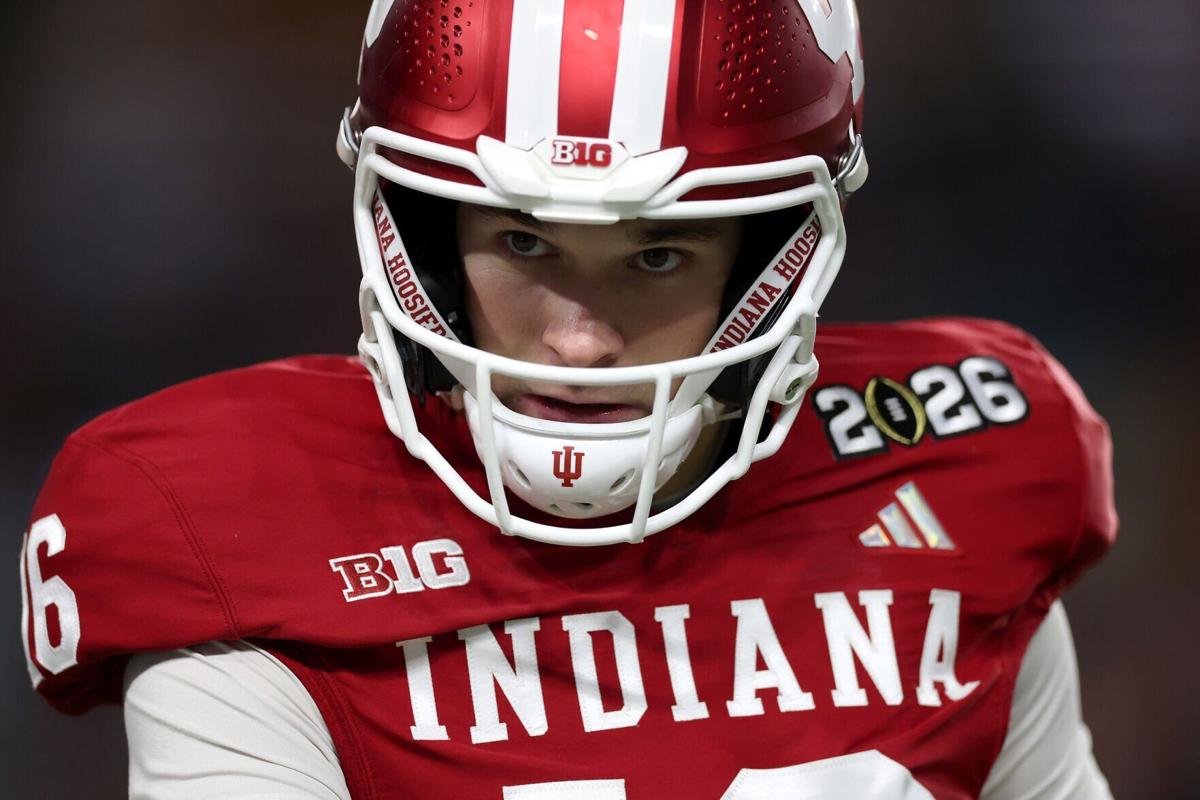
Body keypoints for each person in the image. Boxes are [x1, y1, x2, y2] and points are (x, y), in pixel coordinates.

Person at [19, 1, 1116, 797]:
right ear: (426, 237)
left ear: (769, 255)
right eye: (524, 240)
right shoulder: (224, 533)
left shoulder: (965, 471)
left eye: (658, 256)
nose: (578, 336)